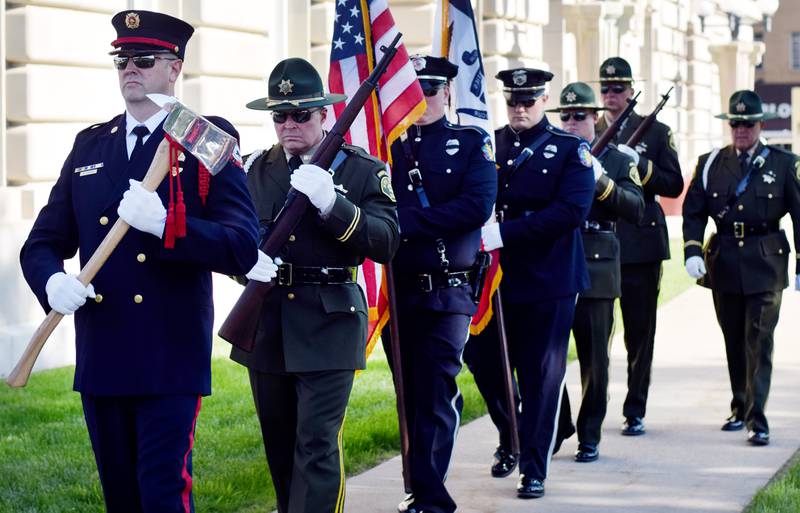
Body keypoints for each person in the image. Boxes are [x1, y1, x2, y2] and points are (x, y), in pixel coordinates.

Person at [19, 10, 259, 512]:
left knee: (162, 495)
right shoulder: (91, 144)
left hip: (167, 355)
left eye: (144, 59)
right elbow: (42, 242)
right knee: (120, 499)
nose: (130, 68)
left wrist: (166, 226)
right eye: (122, 60)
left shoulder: (204, 139)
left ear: (174, 68)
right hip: (104, 352)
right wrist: (51, 282)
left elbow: (241, 245)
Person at [229, 57, 399, 513]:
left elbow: (386, 243)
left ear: (324, 115)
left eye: (301, 114)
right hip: (267, 325)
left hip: (330, 323)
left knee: (317, 448)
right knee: (281, 450)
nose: (289, 124)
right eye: (279, 115)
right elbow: (232, 242)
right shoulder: (252, 171)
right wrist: (245, 265)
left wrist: (332, 204)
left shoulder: (362, 170)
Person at [463, 67, 595, 499]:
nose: (519, 108)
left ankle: (533, 466)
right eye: (513, 101)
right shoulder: (488, 144)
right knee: (484, 360)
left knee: (541, 375)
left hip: (549, 277)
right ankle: (511, 433)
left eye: (528, 100)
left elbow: (571, 212)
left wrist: (509, 234)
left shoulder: (569, 149)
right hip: (494, 278)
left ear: (543, 100)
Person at [382, 55, 496, 513]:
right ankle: (421, 483)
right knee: (410, 392)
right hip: (398, 289)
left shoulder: (470, 144)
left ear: (447, 93)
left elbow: (475, 207)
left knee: (432, 390)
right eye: (414, 90)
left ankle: (431, 498)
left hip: (448, 290)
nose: (422, 99)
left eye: (430, 90)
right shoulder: (386, 147)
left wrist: (404, 223)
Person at [682, 90, 800, 446]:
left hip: (767, 262)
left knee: (759, 340)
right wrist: (692, 249)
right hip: (725, 262)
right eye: (735, 124)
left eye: (748, 124)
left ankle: (758, 419)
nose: (741, 131)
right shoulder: (711, 163)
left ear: (760, 124)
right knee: (734, 338)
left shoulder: (783, 163)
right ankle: (740, 404)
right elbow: (693, 211)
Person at [548, 82, 644, 462]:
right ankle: (558, 425)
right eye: (566, 116)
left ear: (595, 117)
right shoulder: (550, 153)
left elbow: (636, 209)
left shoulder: (619, 160)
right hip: (554, 262)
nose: (572, 123)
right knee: (547, 357)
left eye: (580, 116)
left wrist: (602, 183)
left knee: (594, 360)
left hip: (596, 267)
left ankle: (590, 434)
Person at [595, 57, 684, 435]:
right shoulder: (587, 128)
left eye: (619, 89)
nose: (612, 95)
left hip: (640, 245)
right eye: (606, 89)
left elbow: (674, 184)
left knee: (639, 332)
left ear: (631, 91)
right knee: (598, 335)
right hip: (599, 244)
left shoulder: (657, 132)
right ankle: (594, 408)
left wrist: (642, 165)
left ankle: (635, 407)